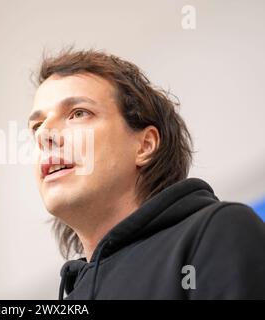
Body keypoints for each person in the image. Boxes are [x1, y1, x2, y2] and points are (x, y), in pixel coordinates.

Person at [27, 48, 265, 299]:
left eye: (78, 113)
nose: (44, 135)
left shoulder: (218, 232)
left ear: (145, 145)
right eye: (36, 126)